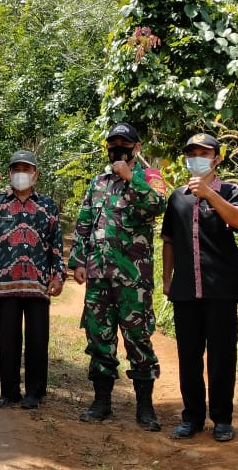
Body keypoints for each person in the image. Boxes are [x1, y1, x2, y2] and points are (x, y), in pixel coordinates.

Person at [69, 124, 167, 430]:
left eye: (124, 143)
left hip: (133, 278)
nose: (117, 149)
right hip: (99, 275)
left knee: (138, 339)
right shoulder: (97, 182)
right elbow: (85, 222)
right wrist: (79, 261)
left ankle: (145, 407)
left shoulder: (149, 178)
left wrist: (129, 178)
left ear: (136, 147)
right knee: (99, 338)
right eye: (113, 144)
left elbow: (157, 206)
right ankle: (101, 402)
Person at [161, 133, 238, 442]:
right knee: (188, 355)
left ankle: (223, 419)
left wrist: (211, 196)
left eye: (204, 152)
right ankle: (192, 417)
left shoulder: (231, 192)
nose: (197, 157)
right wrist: (167, 278)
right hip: (186, 289)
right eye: (192, 153)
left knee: (222, 356)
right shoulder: (177, 197)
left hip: (221, 288)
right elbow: (169, 240)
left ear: (217, 157)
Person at [0, 150, 64, 410]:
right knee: (7, 340)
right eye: (16, 168)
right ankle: (9, 392)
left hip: (38, 283)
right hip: (5, 283)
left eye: (26, 168)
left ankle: (35, 392)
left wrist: (58, 275)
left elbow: (56, 244)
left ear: (35, 174)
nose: (21, 173)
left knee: (37, 339)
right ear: (9, 174)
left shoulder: (48, 205)